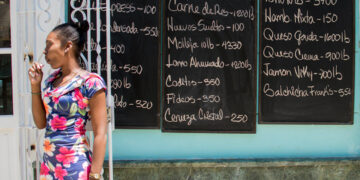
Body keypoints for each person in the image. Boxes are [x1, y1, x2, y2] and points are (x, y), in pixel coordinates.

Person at [28, 21, 107, 180]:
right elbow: (41, 123)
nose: (45, 51)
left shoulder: (90, 82)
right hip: (49, 166)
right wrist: (35, 86)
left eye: (49, 45)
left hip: (76, 166)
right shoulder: (51, 81)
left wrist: (95, 174)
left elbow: (100, 133)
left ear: (67, 46)